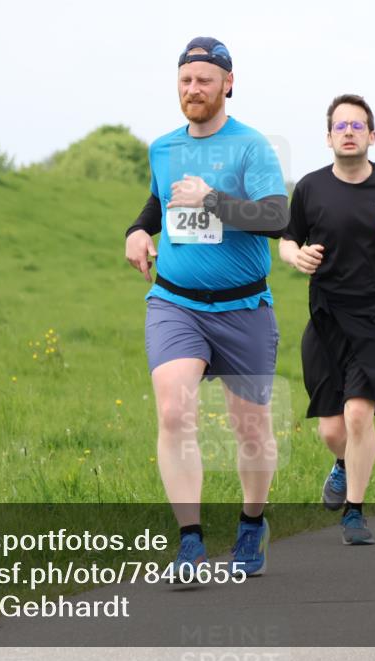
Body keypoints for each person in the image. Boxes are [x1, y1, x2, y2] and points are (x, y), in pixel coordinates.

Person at [124, 37, 289, 576]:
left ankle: (250, 524)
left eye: (204, 80)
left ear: (228, 84)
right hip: (176, 303)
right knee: (174, 413)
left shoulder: (251, 147)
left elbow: (276, 218)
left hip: (244, 308)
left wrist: (213, 200)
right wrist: (138, 230)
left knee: (250, 430)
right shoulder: (163, 147)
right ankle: (190, 541)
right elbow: (159, 197)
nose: (193, 89)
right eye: (185, 81)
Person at [279, 94, 375, 544]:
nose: (348, 132)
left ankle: (354, 513)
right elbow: (287, 240)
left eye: (357, 125)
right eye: (340, 126)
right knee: (332, 429)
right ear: (328, 137)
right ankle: (342, 463)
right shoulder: (310, 187)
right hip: (327, 318)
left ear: (372, 135)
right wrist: (296, 257)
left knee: (359, 416)